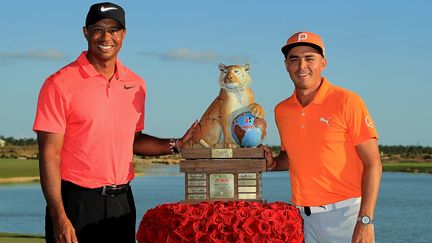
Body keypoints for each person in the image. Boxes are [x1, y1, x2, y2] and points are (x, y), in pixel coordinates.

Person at [33, 2, 197, 243]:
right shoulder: (58, 84)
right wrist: (59, 216)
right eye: (98, 29)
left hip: (122, 203)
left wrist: (178, 144)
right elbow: (50, 155)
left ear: (124, 34)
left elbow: (133, 141)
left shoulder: (136, 84)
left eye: (114, 29)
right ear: (85, 32)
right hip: (77, 204)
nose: (106, 37)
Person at [262, 31, 382, 243]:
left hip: (346, 217)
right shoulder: (281, 110)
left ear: (323, 63)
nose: (302, 66)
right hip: (301, 219)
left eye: (310, 58)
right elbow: (291, 158)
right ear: (286, 65)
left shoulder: (348, 101)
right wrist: (272, 164)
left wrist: (365, 221)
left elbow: (373, 163)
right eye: (294, 59)